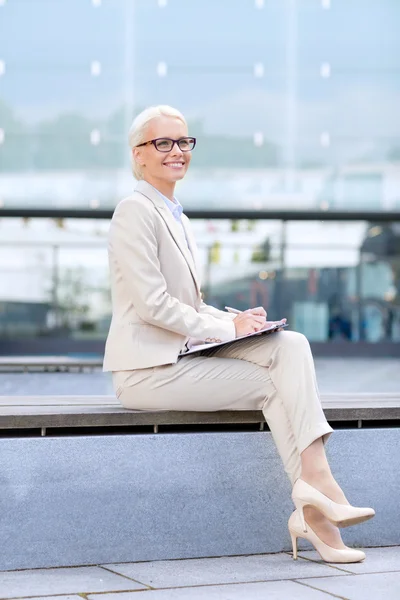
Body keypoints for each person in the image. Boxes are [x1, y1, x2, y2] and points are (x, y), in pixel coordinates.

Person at [103, 105, 375, 564]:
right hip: (146, 371)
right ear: (139, 155)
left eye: (184, 141)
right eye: (163, 143)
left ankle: (317, 502)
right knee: (278, 382)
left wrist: (236, 318)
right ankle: (319, 498)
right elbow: (153, 306)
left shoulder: (176, 216)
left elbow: (188, 306)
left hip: (181, 359)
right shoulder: (135, 211)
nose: (177, 151)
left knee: (290, 345)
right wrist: (226, 328)